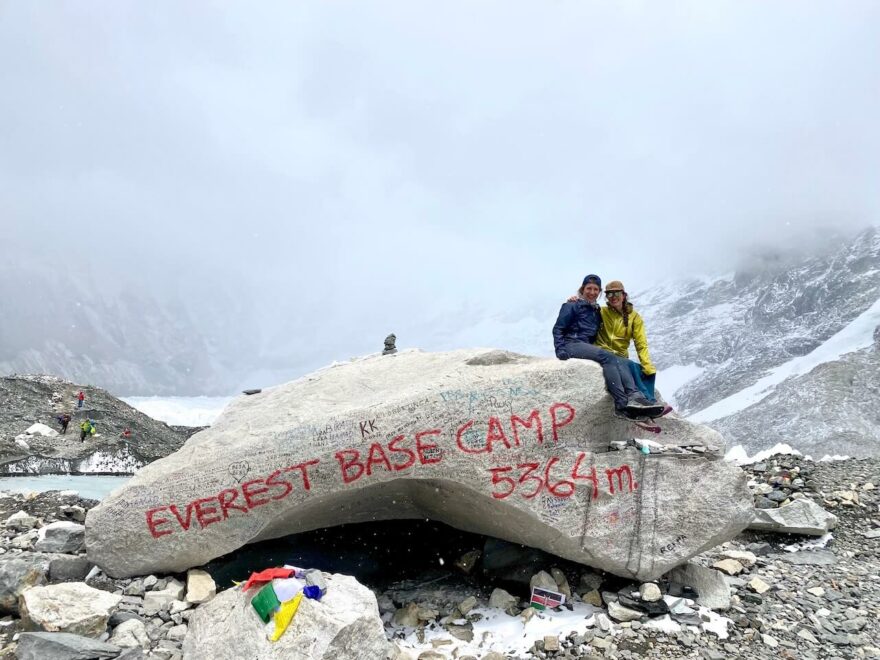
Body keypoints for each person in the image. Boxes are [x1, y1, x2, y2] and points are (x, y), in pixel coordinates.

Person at [553, 274, 663, 418]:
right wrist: (560, 349)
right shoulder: (573, 306)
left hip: (587, 346)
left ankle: (636, 398)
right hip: (572, 343)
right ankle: (622, 404)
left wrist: (647, 365)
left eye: (595, 289)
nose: (592, 292)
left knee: (623, 361)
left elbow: (641, 343)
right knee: (610, 357)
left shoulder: (597, 311)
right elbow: (558, 328)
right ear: (582, 289)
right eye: (589, 288)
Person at [596, 281, 670, 412]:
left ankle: (648, 405)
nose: (613, 296)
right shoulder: (601, 312)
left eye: (616, 293)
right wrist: (573, 300)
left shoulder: (634, 317)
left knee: (639, 369)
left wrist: (647, 364)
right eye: (609, 294)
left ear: (624, 295)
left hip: (621, 357)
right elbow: (583, 309)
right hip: (602, 353)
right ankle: (639, 400)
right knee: (625, 365)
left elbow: (641, 343)